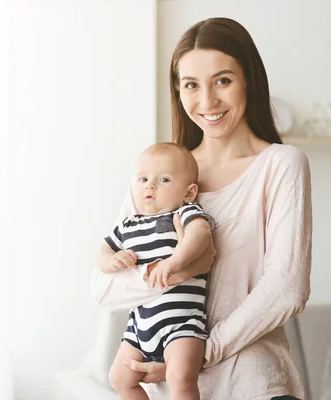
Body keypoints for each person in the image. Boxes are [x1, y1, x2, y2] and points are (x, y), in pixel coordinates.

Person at [91, 17, 311, 400]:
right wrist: (177, 269)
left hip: (252, 385)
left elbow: (286, 288)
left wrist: (196, 357)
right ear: (178, 92)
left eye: (223, 80)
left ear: (250, 81)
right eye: (191, 85)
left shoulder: (281, 165)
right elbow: (104, 288)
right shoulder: (160, 174)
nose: (207, 101)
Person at [106, 142, 215, 400]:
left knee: (181, 378)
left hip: (181, 323)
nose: (150, 185)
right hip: (140, 326)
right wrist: (113, 259)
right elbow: (103, 252)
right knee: (119, 378)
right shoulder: (128, 224)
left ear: (189, 193)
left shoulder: (183, 212)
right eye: (143, 179)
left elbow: (201, 235)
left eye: (163, 179)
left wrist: (174, 262)